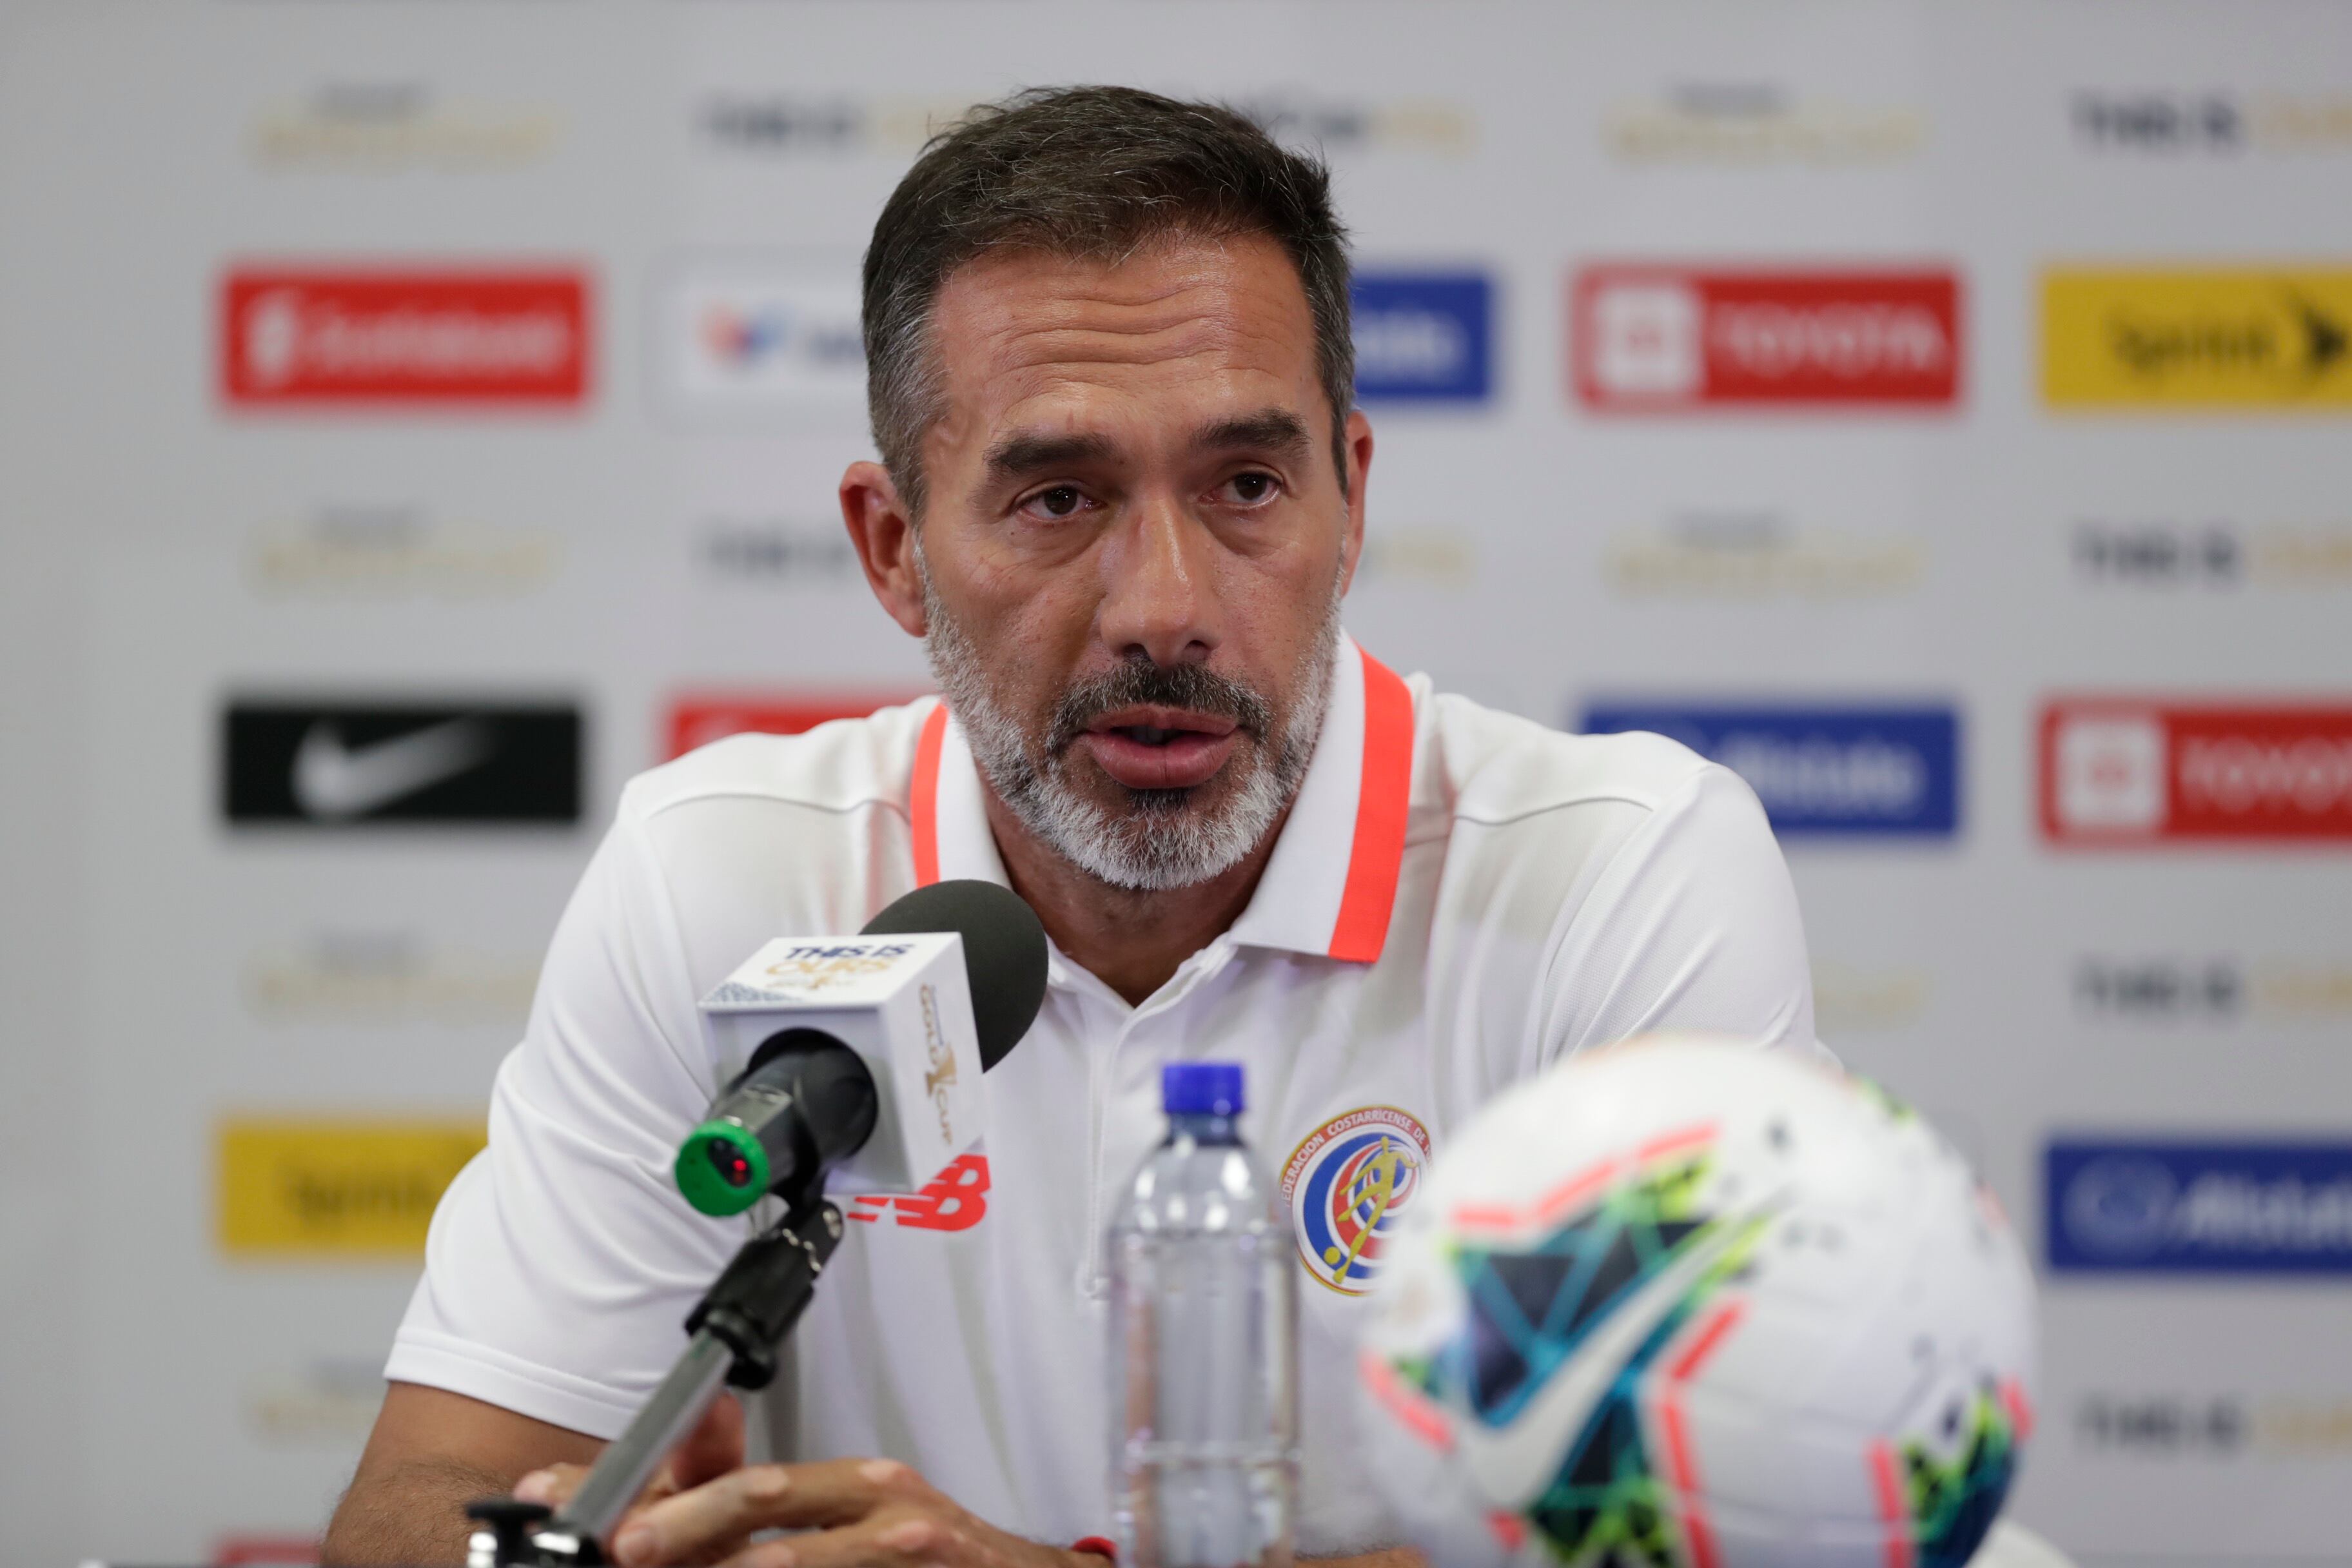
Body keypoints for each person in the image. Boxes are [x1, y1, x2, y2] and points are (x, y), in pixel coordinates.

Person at [323, 85, 1816, 1567]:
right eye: (1058, 498)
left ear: (1348, 504)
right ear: (895, 549)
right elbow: (419, 1504)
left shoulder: (1615, 875)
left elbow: (1745, 1530)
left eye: (1245, 485)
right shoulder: (723, 878)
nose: (1164, 603)